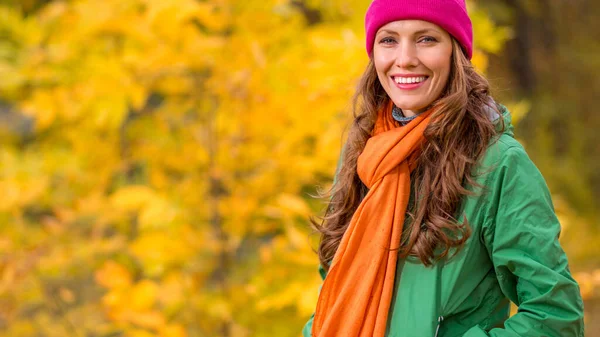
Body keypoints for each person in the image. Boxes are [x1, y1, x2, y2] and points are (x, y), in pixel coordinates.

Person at [302, 0, 585, 336]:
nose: (404, 58)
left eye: (426, 39)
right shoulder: (362, 152)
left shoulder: (498, 163)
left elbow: (555, 316)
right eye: (388, 40)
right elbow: (335, 280)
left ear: (456, 53)